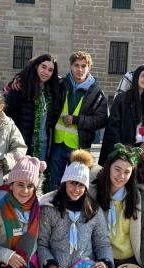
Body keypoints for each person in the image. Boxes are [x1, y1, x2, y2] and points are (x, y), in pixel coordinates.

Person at [38, 150, 112, 268]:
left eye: (81, 185)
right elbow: (42, 243)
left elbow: (102, 242)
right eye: (72, 183)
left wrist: (104, 262)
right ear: (65, 182)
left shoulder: (93, 210)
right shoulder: (50, 208)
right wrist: (50, 264)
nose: (76, 189)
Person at [49, 51, 108, 192]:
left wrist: (77, 120)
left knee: (76, 185)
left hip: (79, 147)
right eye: (76, 65)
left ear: (89, 68)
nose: (79, 69)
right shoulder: (61, 85)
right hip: (57, 143)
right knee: (53, 184)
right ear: (71, 66)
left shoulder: (97, 93)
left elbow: (101, 120)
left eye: (83, 66)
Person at [4, 54, 62, 163]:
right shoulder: (20, 87)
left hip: (43, 145)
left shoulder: (52, 89)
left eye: (50, 70)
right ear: (36, 66)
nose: (46, 72)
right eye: (43, 67)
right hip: (22, 144)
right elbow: (9, 116)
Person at [98, 64, 144, 165]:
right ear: (137, 77)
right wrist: (121, 149)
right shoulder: (122, 98)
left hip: (140, 151)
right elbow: (113, 127)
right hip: (122, 150)